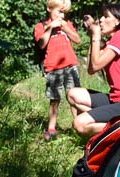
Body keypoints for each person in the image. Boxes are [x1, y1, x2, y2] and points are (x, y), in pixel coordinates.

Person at [66, 4, 120, 137]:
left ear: (118, 21)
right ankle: (117, 124)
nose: (101, 20)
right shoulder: (112, 41)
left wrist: (96, 34)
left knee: (80, 124)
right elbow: (92, 68)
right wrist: (93, 36)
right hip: (117, 99)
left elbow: (96, 65)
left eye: (106, 16)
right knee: (73, 94)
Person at [33, 0, 82, 141]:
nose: (62, 15)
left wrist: (66, 28)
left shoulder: (67, 24)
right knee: (55, 99)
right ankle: (51, 129)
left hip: (70, 66)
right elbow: (41, 45)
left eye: (64, 12)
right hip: (53, 68)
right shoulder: (41, 26)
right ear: (49, 8)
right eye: (59, 11)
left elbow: (77, 39)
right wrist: (50, 28)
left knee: (75, 98)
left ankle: (79, 127)